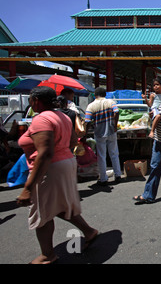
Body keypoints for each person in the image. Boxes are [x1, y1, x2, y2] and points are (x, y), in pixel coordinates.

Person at [16, 86, 98, 264]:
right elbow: (71, 142)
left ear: (36, 101)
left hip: (50, 167)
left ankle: (47, 254)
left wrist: (28, 188)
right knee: (60, 205)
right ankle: (89, 231)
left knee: (43, 214)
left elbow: (44, 153)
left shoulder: (41, 119)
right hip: (65, 162)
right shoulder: (63, 116)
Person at [85, 87, 122, 185]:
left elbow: (87, 121)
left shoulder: (91, 106)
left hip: (99, 133)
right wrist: (114, 124)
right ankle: (118, 175)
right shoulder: (110, 102)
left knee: (101, 156)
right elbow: (116, 111)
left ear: (95, 95)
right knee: (114, 153)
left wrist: (85, 133)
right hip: (111, 131)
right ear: (105, 94)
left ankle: (103, 178)